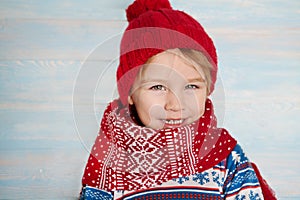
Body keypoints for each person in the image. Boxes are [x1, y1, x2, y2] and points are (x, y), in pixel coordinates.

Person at [80, 0, 276, 199]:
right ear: (129, 94)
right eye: (158, 87)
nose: (176, 105)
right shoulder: (111, 161)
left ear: (207, 89)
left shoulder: (225, 156)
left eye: (191, 86)